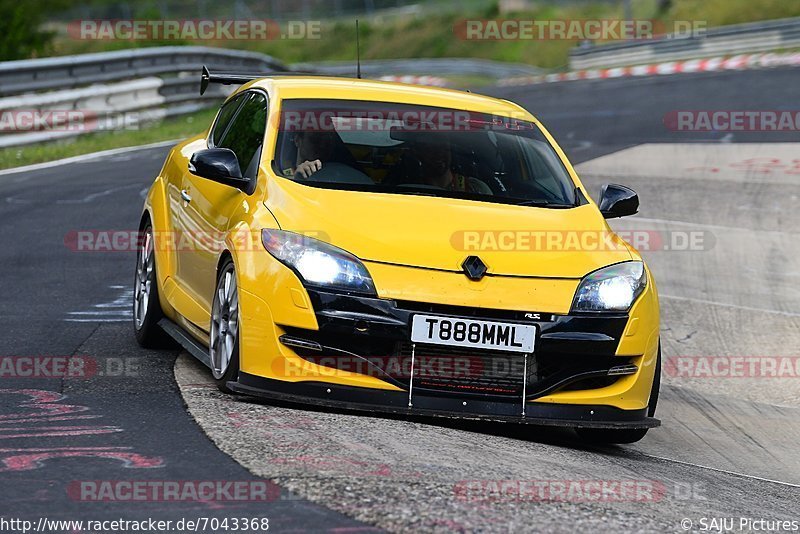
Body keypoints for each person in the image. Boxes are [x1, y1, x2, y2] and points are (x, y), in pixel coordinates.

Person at [409, 140, 492, 195]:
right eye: (431, 149)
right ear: (419, 154)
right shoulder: (408, 190)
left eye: (444, 148)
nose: (439, 154)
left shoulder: (477, 188)